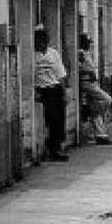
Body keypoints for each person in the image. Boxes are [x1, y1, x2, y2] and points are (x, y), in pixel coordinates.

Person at [34, 27, 69, 162]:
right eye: (38, 42)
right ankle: (53, 149)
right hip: (44, 91)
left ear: (46, 42)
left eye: (43, 41)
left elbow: (61, 75)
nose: (41, 44)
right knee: (52, 119)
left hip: (56, 89)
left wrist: (64, 93)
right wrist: (35, 91)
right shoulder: (33, 55)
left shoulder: (54, 53)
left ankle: (57, 146)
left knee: (60, 120)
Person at [78, 34, 112, 145]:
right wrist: (89, 73)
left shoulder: (86, 54)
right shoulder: (80, 53)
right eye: (87, 42)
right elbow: (78, 68)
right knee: (108, 100)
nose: (89, 45)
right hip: (87, 83)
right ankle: (93, 117)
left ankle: (101, 135)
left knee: (96, 111)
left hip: (92, 83)